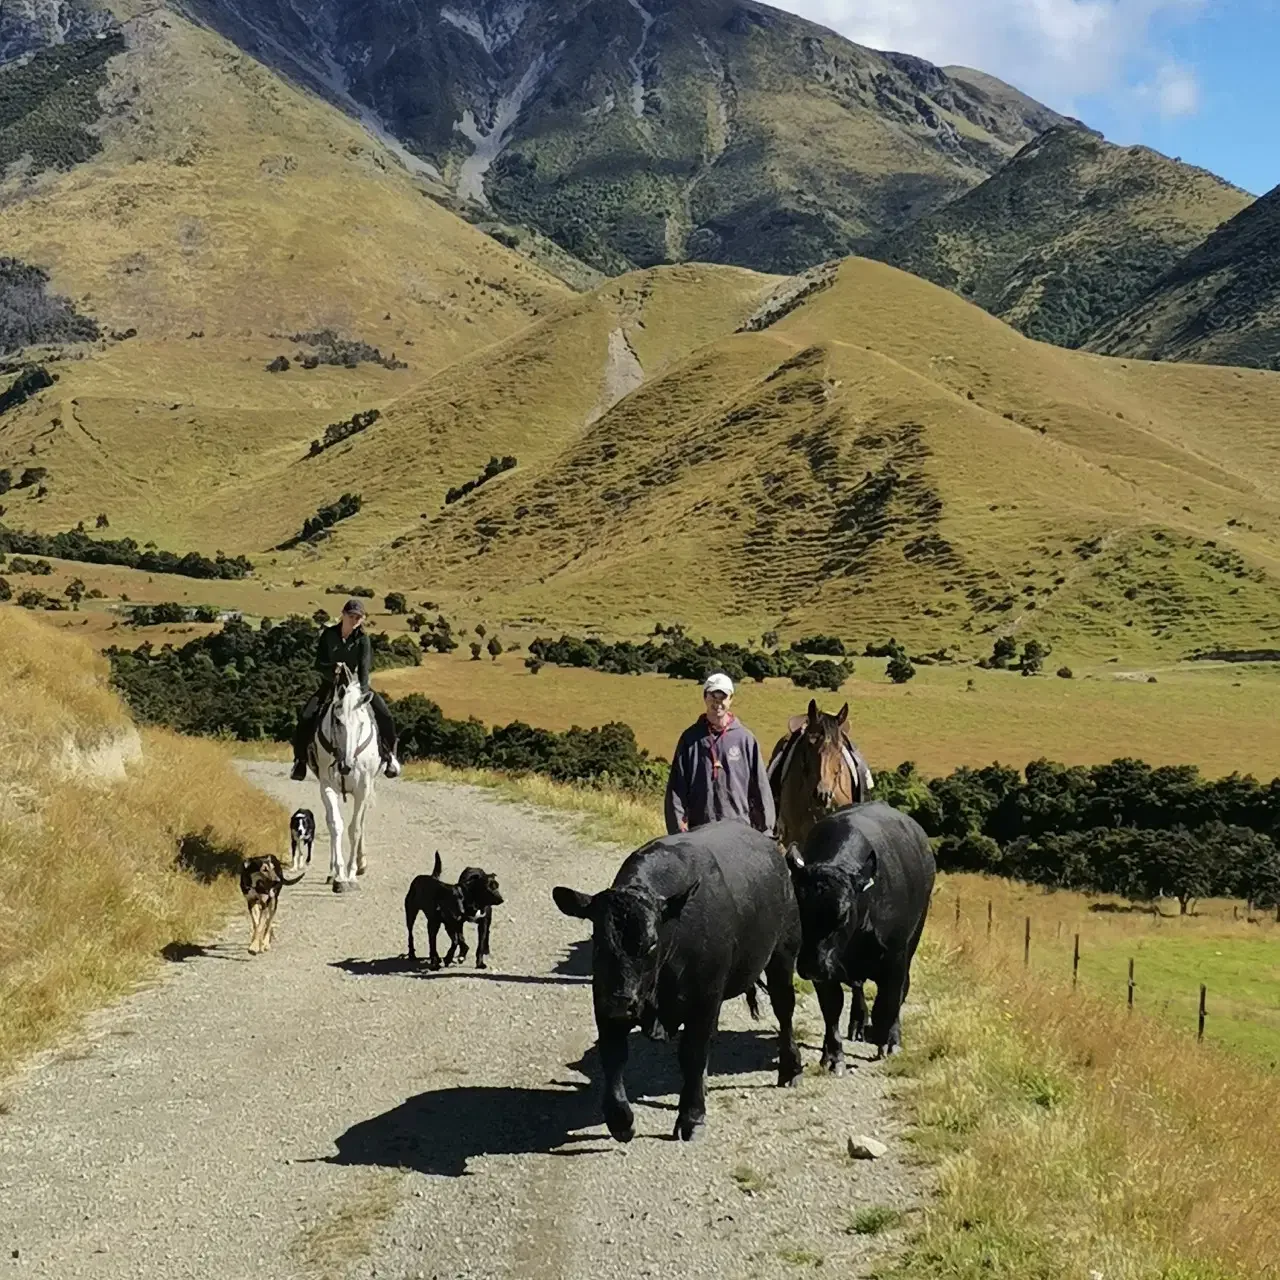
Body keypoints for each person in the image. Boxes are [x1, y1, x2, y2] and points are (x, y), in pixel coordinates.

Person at [290, 599, 401, 781]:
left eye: (359, 617)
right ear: (343, 614)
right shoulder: (328, 635)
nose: (355, 620)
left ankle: (390, 757)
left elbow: (365, 668)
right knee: (306, 716)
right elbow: (318, 664)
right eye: (352, 616)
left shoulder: (363, 640)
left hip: (355, 686)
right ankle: (300, 761)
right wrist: (332, 668)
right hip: (330, 685)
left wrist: (363, 692)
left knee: (385, 715)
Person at [664, 672, 775, 836]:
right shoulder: (690, 738)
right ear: (704, 697)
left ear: (731, 699)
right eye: (712, 696)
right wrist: (678, 830)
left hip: (738, 831)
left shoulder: (745, 739)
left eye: (722, 697)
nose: (718, 703)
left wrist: (766, 830)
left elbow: (760, 787)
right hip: (700, 832)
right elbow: (677, 788)